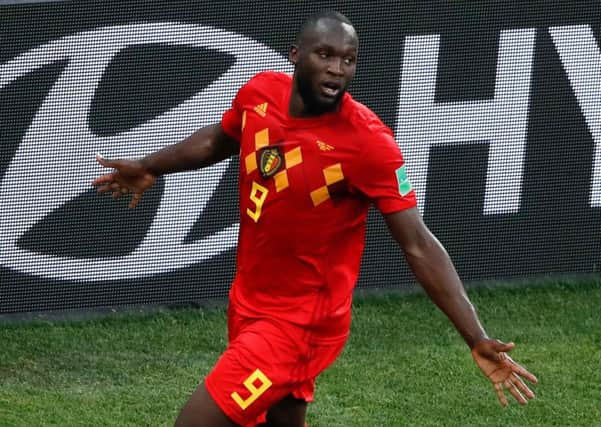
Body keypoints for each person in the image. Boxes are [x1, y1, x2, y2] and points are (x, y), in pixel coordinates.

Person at [92, 10, 537, 427]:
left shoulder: (367, 144)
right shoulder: (260, 93)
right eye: (325, 55)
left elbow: (418, 242)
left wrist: (475, 335)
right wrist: (151, 166)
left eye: (348, 60)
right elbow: (219, 140)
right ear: (296, 56)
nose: (337, 69)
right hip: (250, 300)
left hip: (301, 325)